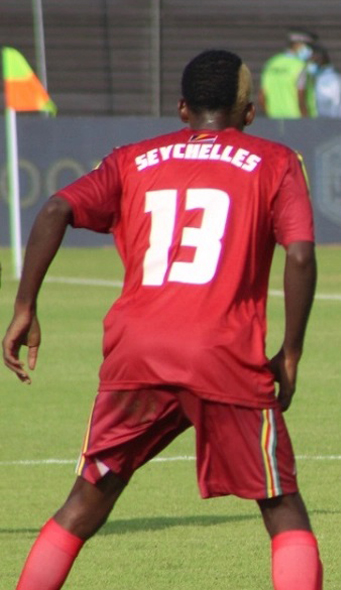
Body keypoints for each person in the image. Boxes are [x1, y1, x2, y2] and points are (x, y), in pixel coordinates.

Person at [6, 50, 322, 588]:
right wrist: (290, 354)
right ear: (248, 113)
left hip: (136, 353)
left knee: (85, 501)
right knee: (279, 502)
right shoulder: (275, 160)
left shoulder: (133, 159)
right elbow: (298, 255)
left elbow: (56, 208)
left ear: (182, 108)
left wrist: (24, 307)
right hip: (221, 355)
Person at [259, 28, 316, 119]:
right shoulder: (300, 66)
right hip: (297, 121)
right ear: (298, 45)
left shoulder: (271, 63)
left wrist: (270, 116)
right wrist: (307, 123)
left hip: (275, 120)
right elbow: (301, 97)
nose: (311, 51)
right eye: (308, 46)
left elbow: (262, 97)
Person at [310, 44, 341, 118]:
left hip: (329, 122)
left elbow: (336, 104)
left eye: (312, 59)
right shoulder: (316, 76)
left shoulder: (333, 80)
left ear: (320, 58)